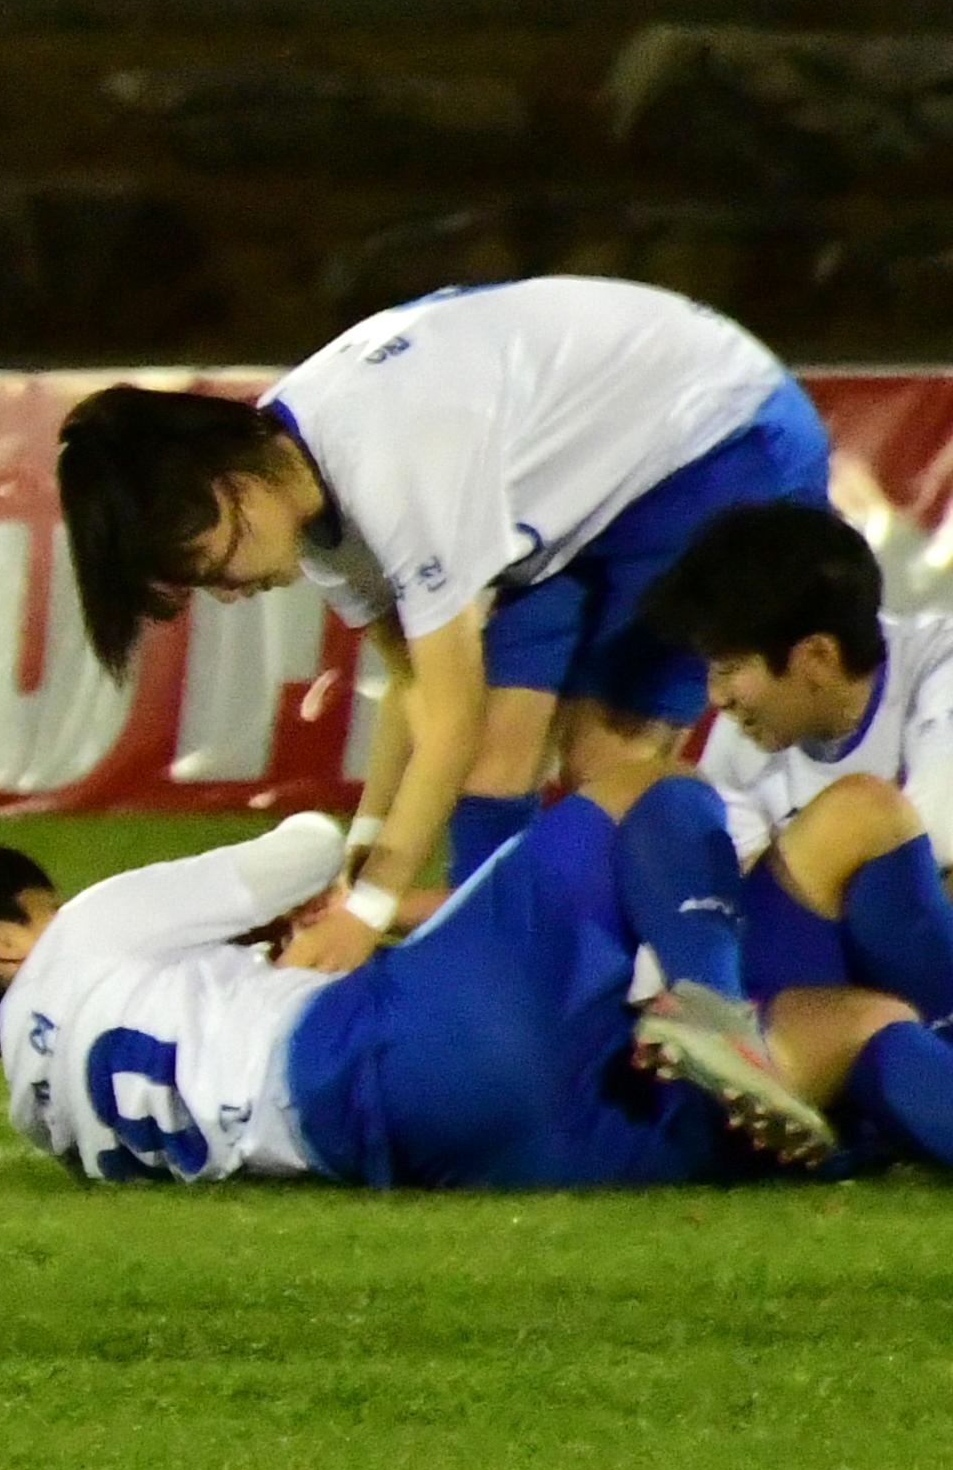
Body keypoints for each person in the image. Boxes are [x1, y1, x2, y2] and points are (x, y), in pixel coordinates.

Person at [54, 277, 831, 1120]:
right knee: (502, 756)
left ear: (233, 489)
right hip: (574, 484)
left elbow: (447, 719)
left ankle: (724, 1009)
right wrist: (364, 856)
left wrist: (369, 911)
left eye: (215, 569)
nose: (230, 595)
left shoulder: (390, 464)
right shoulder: (296, 480)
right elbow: (415, 694)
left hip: (711, 442)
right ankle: (520, 1007)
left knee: (611, 765)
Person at [0, 786, 953, 1185]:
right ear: (6, 942)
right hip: (396, 1039)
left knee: (860, 1030)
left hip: (437, 1153)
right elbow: (302, 848)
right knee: (640, 788)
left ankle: (779, 1057)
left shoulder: (43, 1118)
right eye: (42, 902)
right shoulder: (87, 933)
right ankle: (709, 1010)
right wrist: (277, 907)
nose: (66, 904)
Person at [646, 500, 953, 1025]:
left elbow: (938, 851)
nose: (715, 697)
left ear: (816, 657)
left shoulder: (940, 669)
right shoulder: (744, 739)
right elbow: (737, 904)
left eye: (731, 667)